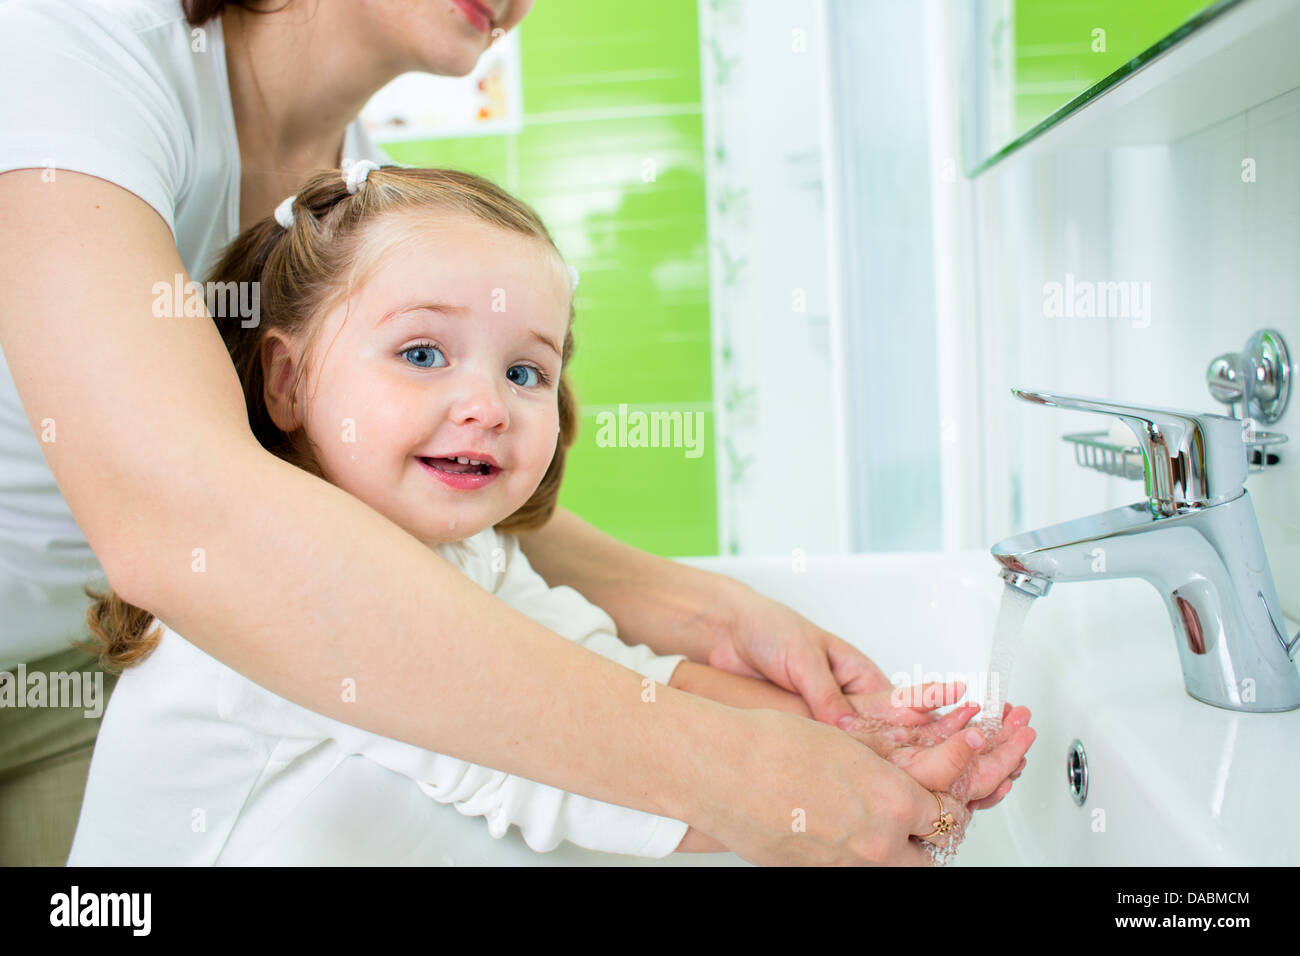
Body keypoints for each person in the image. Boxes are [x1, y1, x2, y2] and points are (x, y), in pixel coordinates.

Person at [0, 0, 1032, 866]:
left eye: (528, 370)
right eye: (421, 357)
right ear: (287, 378)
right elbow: (192, 522)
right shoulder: (73, 49)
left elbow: (575, 656)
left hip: (87, 657)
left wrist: (841, 731)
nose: (485, 402)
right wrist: (756, 780)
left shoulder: (363, 216)